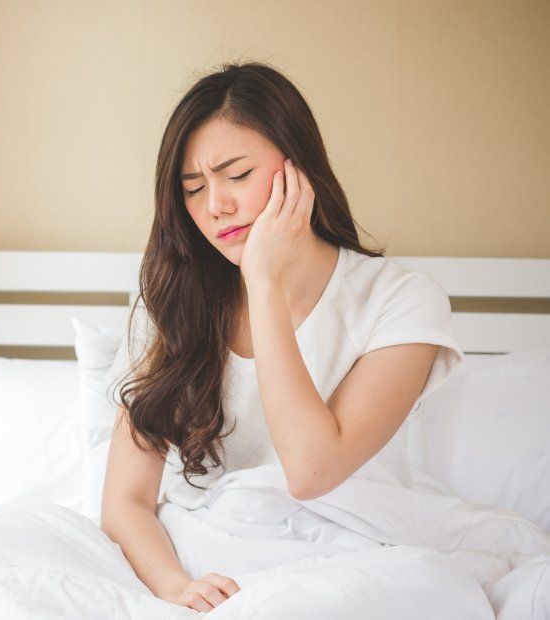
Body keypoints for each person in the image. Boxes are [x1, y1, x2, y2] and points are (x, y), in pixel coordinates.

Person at [99, 61, 464, 612]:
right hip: (205, 554)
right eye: (193, 188)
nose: (215, 205)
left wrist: (262, 281)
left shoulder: (400, 300)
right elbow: (126, 499)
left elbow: (313, 472)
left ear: (299, 167)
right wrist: (176, 586)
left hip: (354, 550)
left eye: (237, 176)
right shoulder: (172, 301)